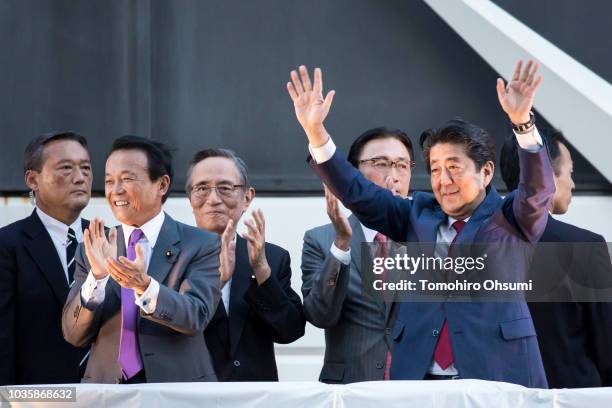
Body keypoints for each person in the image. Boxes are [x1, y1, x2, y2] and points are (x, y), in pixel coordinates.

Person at [286, 61, 554, 387]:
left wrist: (522, 123)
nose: (444, 180)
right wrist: (316, 132)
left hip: (496, 379)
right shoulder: (417, 215)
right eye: (436, 169)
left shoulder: (512, 218)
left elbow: (538, 191)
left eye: (454, 167)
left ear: (485, 173)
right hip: (418, 382)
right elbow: (358, 192)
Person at [62, 136, 221, 383]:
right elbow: (73, 334)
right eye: (109, 181)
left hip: (177, 390)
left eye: (127, 179)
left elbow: (197, 315)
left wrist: (145, 287)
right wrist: (97, 278)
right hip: (108, 392)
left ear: (162, 184)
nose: (116, 191)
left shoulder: (200, 244)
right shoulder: (93, 247)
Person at [301, 127, 414, 383]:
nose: (393, 176)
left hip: (415, 389)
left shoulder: (430, 233)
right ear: (352, 174)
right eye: (380, 164)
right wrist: (341, 245)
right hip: (349, 388)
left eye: (402, 165)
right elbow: (321, 316)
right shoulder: (320, 240)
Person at [500, 130, 612, 387]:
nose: (572, 184)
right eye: (570, 173)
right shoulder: (585, 247)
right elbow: (606, 344)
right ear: (546, 175)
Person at [186, 148, 305, 381]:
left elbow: (290, 331)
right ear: (190, 198)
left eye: (225, 188)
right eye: (201, 189)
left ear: (247, 197)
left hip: (256, 397)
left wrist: (261, 270)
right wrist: (216, 284)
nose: (213, 199)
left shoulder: (272, 258)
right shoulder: (174, 258)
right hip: (192, 393)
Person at [0, 132, 92, 385]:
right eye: (65, 168)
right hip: (40, 397)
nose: (80, 177)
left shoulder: (111, 239)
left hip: (109, 395)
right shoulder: (8, 245)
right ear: (33, 179)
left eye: (86, 168)